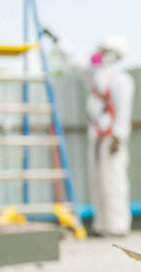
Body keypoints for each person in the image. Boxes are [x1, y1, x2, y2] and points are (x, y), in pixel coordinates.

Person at [54, 35, 135, 236]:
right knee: (98, 182)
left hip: (112, 139)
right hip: (97, 137)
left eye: (104, 50)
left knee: (114, 181)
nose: (99, 53)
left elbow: (123, 111)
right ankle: (102, 224)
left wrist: (119, 136)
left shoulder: (121, 80)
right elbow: (76, 64)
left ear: (114, 55)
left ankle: (118, 225)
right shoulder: (96, 76)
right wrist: (58, 43)